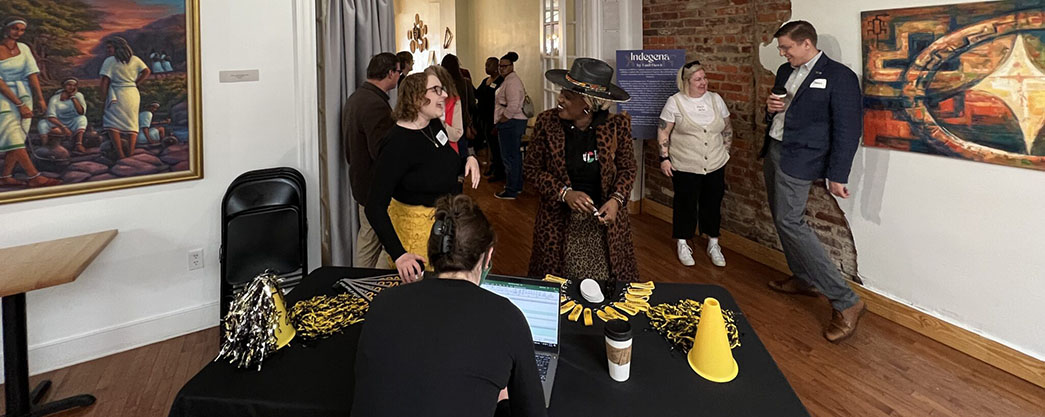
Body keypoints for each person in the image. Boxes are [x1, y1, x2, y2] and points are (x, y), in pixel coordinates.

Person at [352, 194, 547, 417]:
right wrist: (502, 402)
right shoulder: (508, 318)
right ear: (488, 255)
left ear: (431, 253)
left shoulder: (382, 303)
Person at [762, 20, 865, 342]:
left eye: (786, 47)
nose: (782, 53)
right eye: (781, 48)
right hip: (775, 149)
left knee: (790, 222)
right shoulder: (784, 71)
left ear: (807, 44)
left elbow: (848, 130)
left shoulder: (839, 77)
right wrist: (770, 109)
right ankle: (803, 277)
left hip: (803, 158)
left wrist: (838, 174)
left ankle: (846, 301)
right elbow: (779, 113)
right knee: (782, 219)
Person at [524, 58, 639, 286]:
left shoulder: (617, 126)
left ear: (588, 103)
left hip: (604, 225)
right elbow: (532, 169)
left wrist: (616, 200)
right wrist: (564, 193)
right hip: (558, 224)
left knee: (605, 290)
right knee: (559, 288)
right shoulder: (547, 123)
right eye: (562, 93)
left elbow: (628, 168)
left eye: (568, 96)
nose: (560, 99)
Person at [366, 70, 480, 282]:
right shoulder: (397, 145)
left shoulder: (433, 125)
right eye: (436, 90)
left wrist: (468, 159)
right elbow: (374, 206)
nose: (445, 95)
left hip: (443, 231)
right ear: (417, 97)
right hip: (415, 241)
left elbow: (448, 162)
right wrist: (399, 255)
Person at [657, 61, 733, 268]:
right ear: (686, 82)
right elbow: (664, 131)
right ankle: (683, 241)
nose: (704, 82)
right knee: (686, 204)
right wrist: (664, 157)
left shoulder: (716, 100)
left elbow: (727, 128)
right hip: (685, 164)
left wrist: (725, 150)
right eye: (698, 79)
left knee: (713, 203)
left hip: (716, 163)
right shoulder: (675, 102)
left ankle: (713, 243)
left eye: (705, 78)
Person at [342, 52, 400, 268]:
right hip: (374, 186)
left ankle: (360, 287)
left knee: (368, 237)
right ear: (390, 73)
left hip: (360, 181)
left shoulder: (356, 97)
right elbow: (382, 152)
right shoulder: (375, 104)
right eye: (398, 71)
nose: (399, 76)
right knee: (379, 241)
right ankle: (368, 291)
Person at [0, 17, 60, 188]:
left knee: (19, 136)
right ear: (6, 28)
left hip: (25, 93)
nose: (18, 33)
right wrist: (19, 105)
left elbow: (32, 74)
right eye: (14, 29)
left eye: (21, 30)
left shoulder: (24, 49)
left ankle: (5, 176)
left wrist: (40, 98)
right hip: (4, 97)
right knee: (13, 134)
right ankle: (34, 175)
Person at [99, 36, 151, 159]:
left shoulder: (110, 61)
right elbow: (147, 71)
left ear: (117, 47)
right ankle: (131, 153)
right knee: (131, 122)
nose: (108, 50)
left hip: (117, 94)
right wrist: (136, 83)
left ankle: (121, 155)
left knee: (113, 123)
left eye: (110, 47)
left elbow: (104, 81)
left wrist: (103, 98)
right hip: (132, 93)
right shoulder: (135, 59)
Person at [493, 51, 527, 199]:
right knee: (514, 157)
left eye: (505, 66)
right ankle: (516, 186)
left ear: (512, 66)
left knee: (510, 157)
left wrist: (502, 120)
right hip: (512, 122)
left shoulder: (512, 82)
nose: (502, 69)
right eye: (500, 66)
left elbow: (513, 105)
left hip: (511, 123)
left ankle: (511, 189)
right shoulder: (508, 80)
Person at [37, 78, 89, 152]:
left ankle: (78, 144)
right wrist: (63, 128)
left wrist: (73, 97)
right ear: (64, 86)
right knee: (42, 124)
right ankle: (46, 147)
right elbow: (51, 117)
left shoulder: (78, 96)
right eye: (69, 85)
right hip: (58, 122)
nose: (71, 87)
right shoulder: (55, 98)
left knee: (82, 118)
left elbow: (81, 112)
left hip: (72, 121)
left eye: (74, 86)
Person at [475, 57, 505, 182]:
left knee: (497, 145)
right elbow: (477, 94)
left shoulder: (501, 81)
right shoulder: (485, 81)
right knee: (489, 143)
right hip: (484, 118)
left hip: (495, 118)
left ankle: (499, 170)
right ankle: (491, 165)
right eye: (485, 64)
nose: (486, 67)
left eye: (489, 65)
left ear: (496, 66)